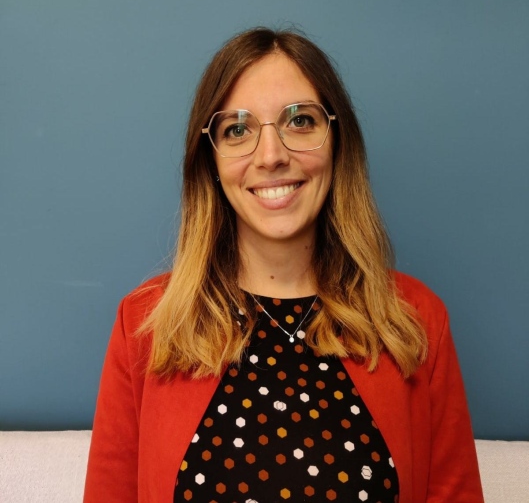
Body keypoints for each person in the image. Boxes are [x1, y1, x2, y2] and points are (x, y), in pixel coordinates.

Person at [84, 28, 484, 503]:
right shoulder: (145, 325)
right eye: (238, 129)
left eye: (300, 121)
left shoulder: (417, 321)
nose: (271, 156)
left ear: (336, 142)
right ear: (210, 160)